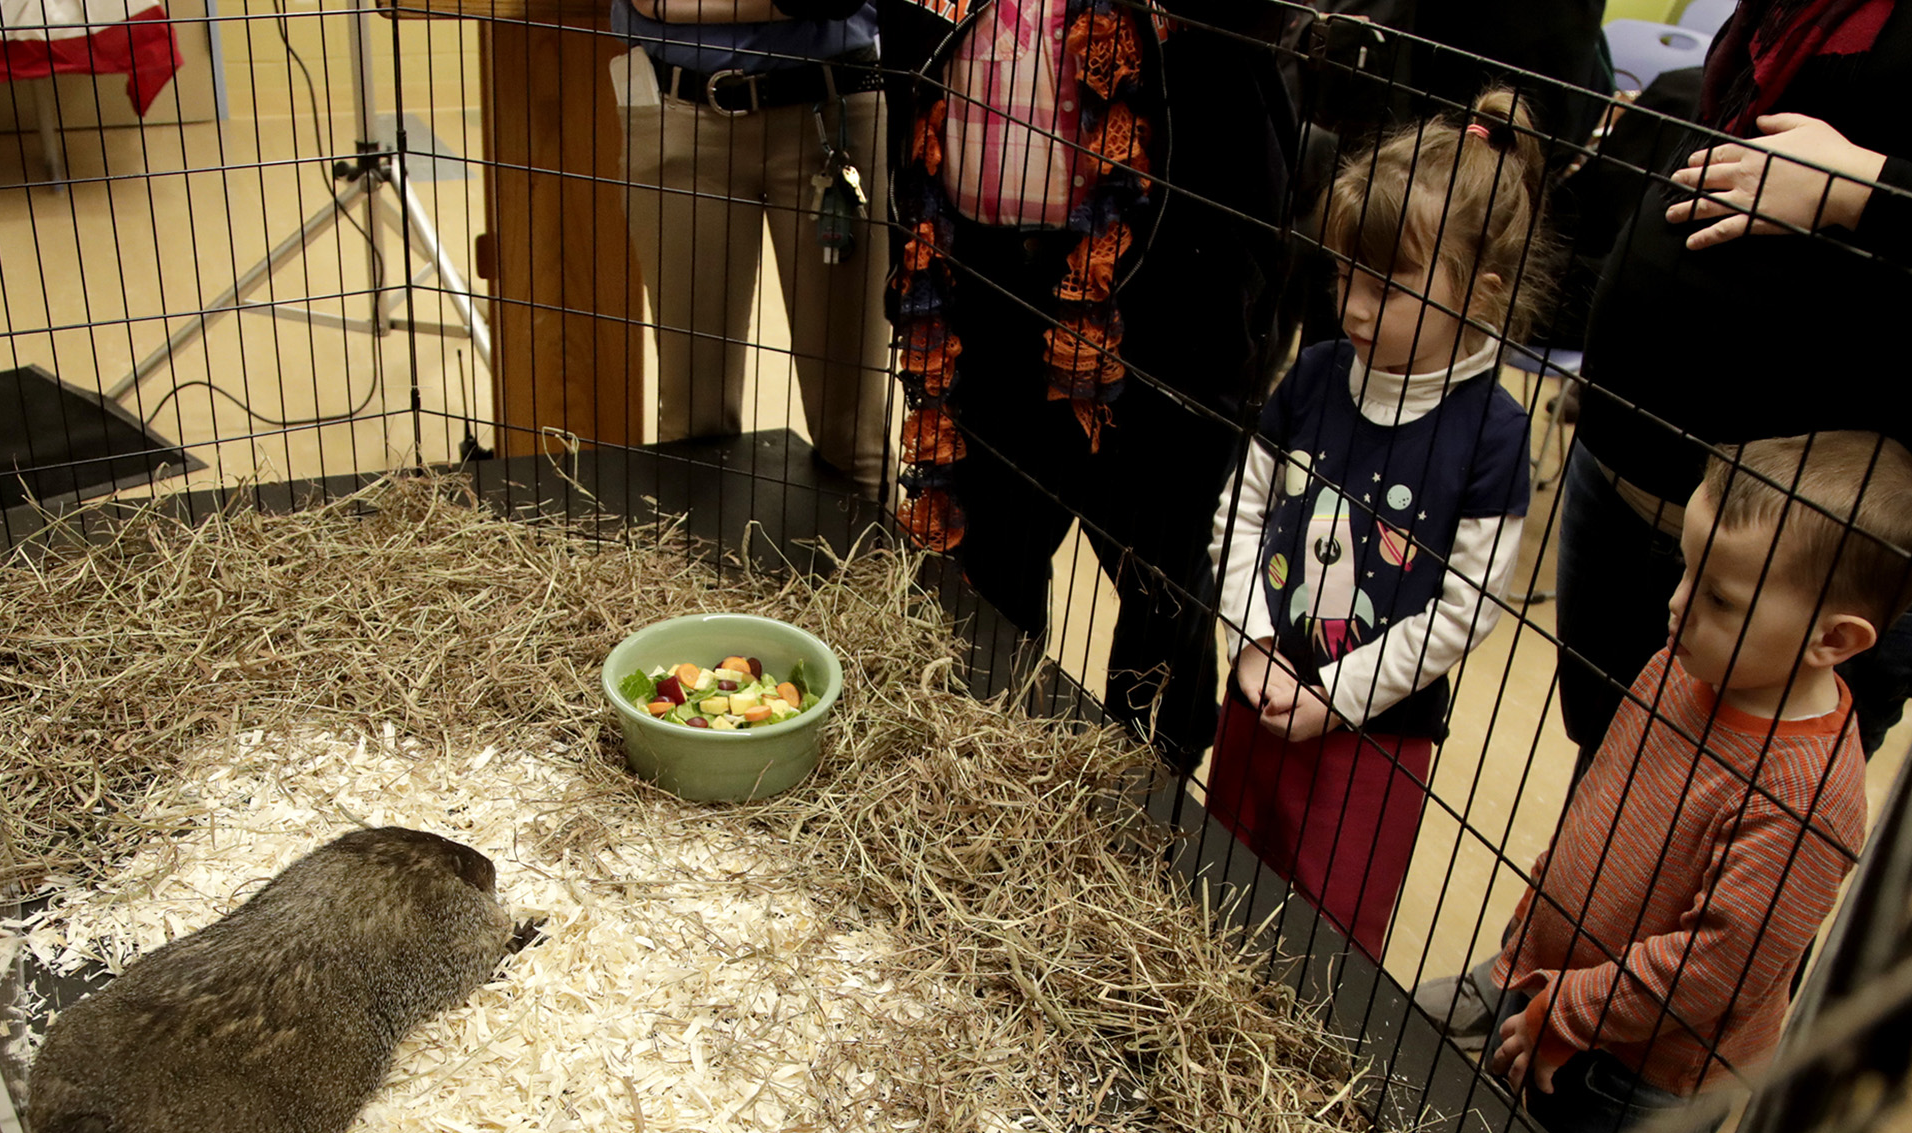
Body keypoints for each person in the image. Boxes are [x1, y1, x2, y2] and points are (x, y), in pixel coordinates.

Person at [1422, 432, 1912, 1133]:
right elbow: (1609, 797)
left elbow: (1714, 973)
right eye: (1686, 568)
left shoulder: (1806, 798)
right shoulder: (1686, 664)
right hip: (1552, 977)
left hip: (1638, 1076)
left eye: (1721, 597)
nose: (1678, 603)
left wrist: (1575, 1008)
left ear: (1833, 640)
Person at [1554, 0, 1912, 772]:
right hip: (1631, 461)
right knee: (1608, 783)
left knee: (1732, 833)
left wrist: (1868, 191)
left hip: (1834, 539)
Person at [881, 0, 1296, 773]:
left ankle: (1144, 791)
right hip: (988, 281)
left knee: (1158, 571)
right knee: (992, 556)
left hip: (1164, 292)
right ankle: (979, 766)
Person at [1202, 90, 1547, 960]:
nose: (1352, 308)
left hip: (1372, 736)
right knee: (1217, 884)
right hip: (1261, 688)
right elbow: (1242, 507)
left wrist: (1339, 699)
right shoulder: (1317, 373)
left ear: (1479, 292)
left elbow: (1463, 609)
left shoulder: (1496, 435)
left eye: (1385, 288)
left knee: (1319, 937)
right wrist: (1252, 638)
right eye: (1345, 274)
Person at [612, 0, 895, 490]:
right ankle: (695, 564)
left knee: (854, 440)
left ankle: (873, 565)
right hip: (683, 111)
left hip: (838, 112)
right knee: (692, 425)